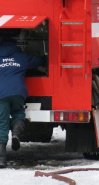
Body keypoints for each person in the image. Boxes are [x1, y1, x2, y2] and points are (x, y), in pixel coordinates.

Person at [0, 30, 46, 168]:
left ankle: (1, 159)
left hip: (1, 95)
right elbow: (39, 60)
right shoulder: (20, 57)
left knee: (1, 124)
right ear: (15, 45)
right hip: (18, 93)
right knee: (19, 113)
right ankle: (16, 134)